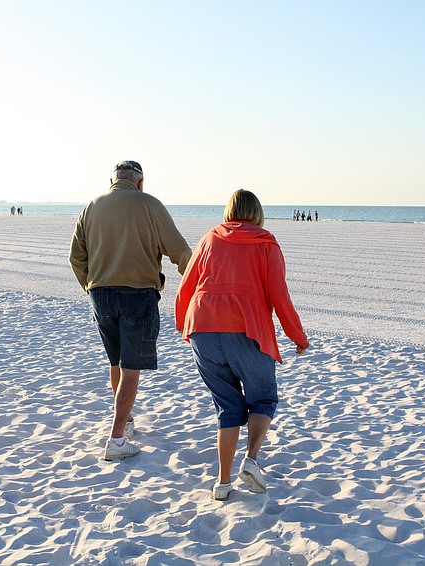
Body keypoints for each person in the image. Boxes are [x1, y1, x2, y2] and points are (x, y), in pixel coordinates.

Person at [175, 189, 309, 501]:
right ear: (257, 212)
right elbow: (279, 296)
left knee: (228, 406)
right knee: (262, 399)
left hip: (203, 329)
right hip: (246, 329)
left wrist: (185, 326)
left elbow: (186, 288)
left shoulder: (210, 238)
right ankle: (250, 461)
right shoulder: (265, 243)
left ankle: (222, 483)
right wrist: (298, 338)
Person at [70, 160, 192, 461]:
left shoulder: (92, 206)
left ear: (112, 181)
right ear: (140, 182)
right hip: (137, 294)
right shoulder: (150, 204)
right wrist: (195, 287)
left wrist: (90, 285)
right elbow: (181, 253)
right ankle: (116, 439)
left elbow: (76, 257)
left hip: (100, 294)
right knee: (130, 367)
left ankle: (125, 421)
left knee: (116, 361)